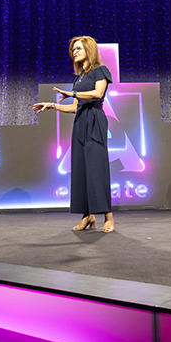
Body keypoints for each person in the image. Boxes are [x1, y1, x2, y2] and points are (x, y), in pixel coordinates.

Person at [32, 36, 114, 232]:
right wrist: (52, 105)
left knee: (96, 169)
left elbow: (97, 94)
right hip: (80, 123)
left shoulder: (100, 70)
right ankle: (88, 216)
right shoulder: (79, 78)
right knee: (81, 170)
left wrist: (73, 94)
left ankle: (108, 217)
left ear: (89, 50)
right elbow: (75, 108)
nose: (74, 52)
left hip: (94, 120)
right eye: (73, 49)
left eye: (78, 48)